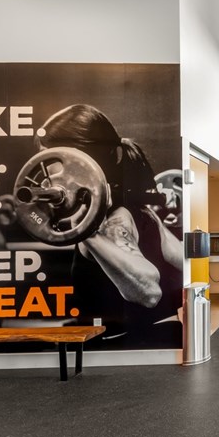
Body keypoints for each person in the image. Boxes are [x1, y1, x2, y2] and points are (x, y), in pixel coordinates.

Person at [37, 104, 183, 346]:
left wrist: (85, 233)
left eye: (50, 161)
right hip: (163, 335)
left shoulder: (109, 224)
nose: (45, 179)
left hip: (128, 348)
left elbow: (149, 293)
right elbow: (182, 262)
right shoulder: (144, 212)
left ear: (77, 162)